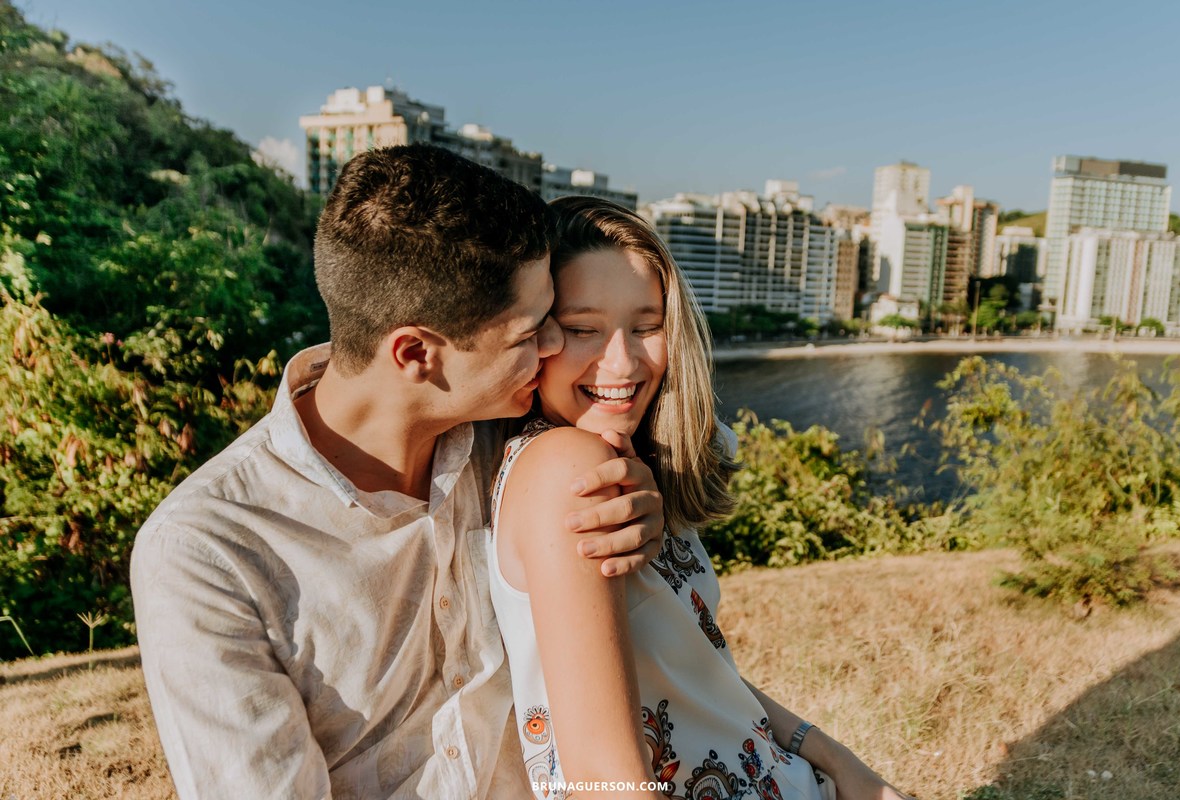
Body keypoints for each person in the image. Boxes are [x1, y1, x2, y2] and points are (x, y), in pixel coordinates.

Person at [130, 145, 668, 799]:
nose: (555, 347)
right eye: (530, 335)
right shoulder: (211, 552)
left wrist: (634, 507)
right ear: (416, 353)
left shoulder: (516, 448)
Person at [489, 197, 912, 800]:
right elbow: (605, 780)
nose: (624, 361)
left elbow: (696, 670)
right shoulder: (570, 470)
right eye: (583, 329)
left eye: (648, 325)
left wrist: (840, 762)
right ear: (534, 334)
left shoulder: (634, 462)